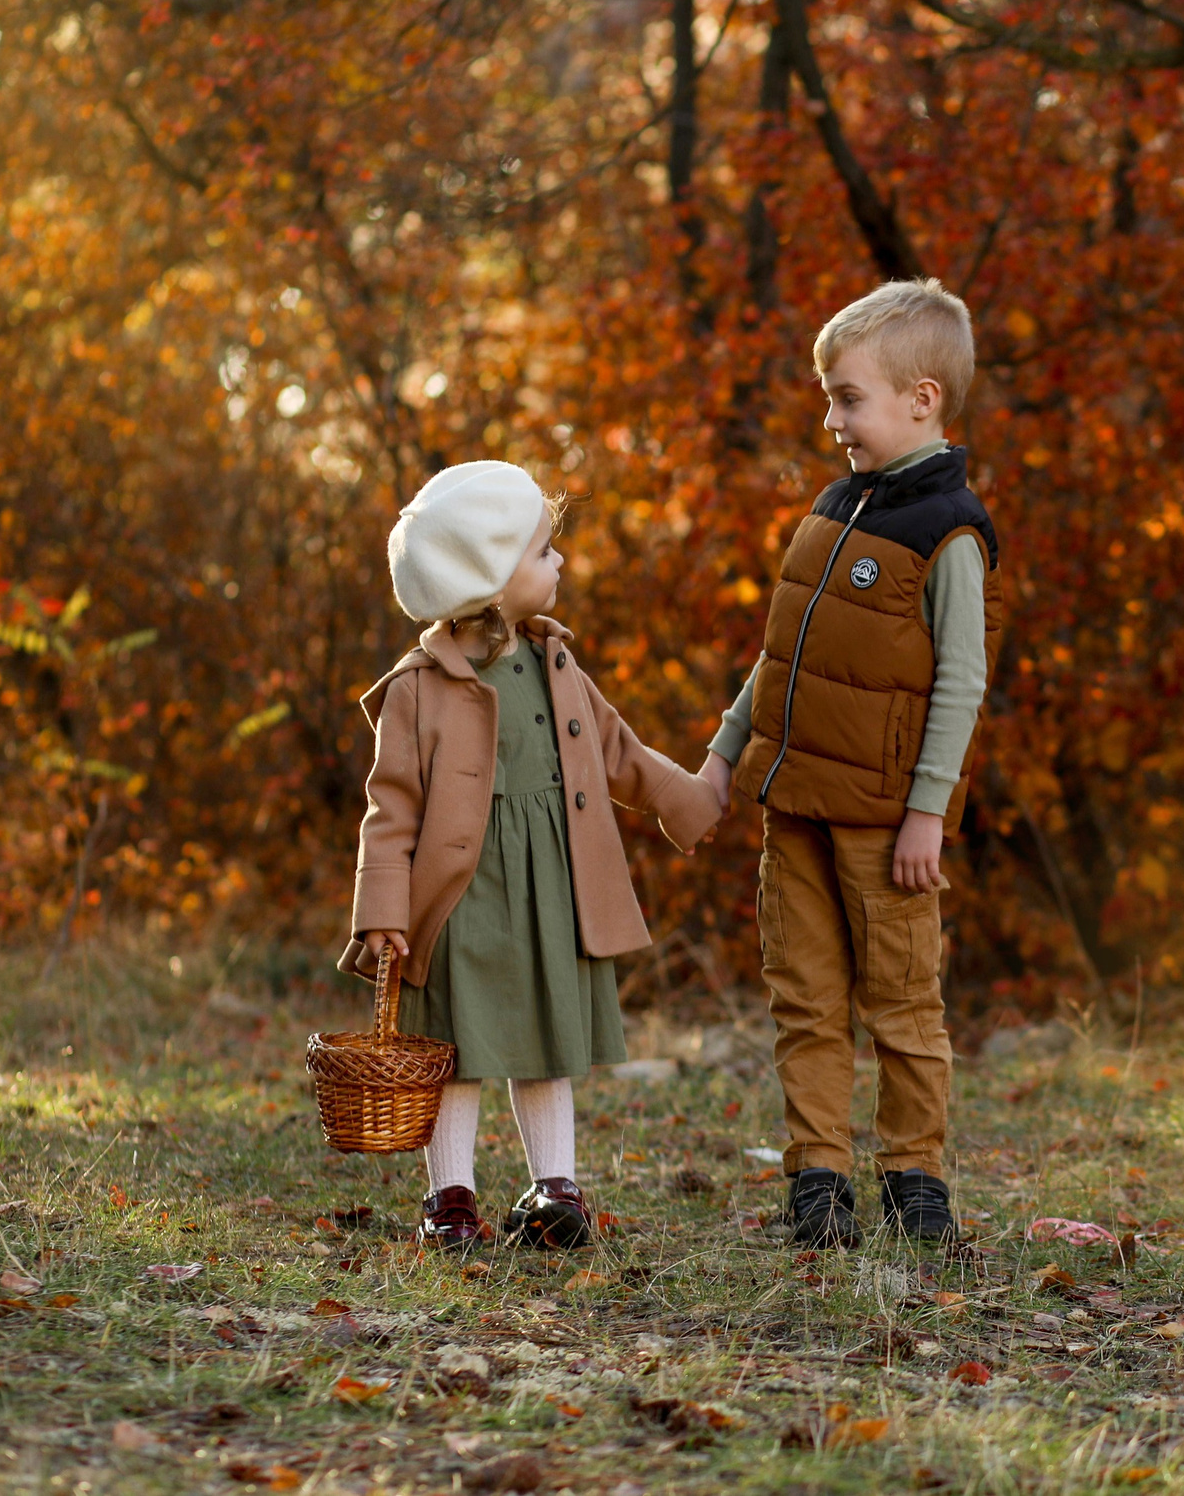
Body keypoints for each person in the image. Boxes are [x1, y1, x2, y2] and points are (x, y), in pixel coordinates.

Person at [345, 461, 723, 1251]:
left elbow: (619, 751)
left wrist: (689, 799)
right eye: (544, 550)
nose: (560, 563)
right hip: (461, 893)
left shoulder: (555, 664)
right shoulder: (421, 688)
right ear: (488, 572)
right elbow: (391, 807)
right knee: (453, 1046)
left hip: (553, 883)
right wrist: (382, 911)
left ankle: (556, 1188)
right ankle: (449, 1198)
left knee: (545, 1037)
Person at [698, 279, 1001, 1249]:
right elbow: (777, 657)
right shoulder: (836, 508)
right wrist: (722, 753)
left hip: (883, 824)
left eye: (848, 398)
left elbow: (960, 683)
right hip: (794, 808)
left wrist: (927, 815)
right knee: (806, 998)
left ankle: (916, 1183)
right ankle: (816, 1184)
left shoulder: (948, 530)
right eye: (828, 398)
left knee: (903, 1005)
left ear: (922, 399)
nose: (832, 419)